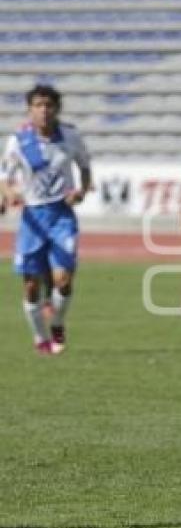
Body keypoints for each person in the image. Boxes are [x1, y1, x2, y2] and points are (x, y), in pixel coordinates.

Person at [0, 84, 91, 355]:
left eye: (49, 105)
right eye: (38, 106)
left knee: (63, 280)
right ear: (30, 110)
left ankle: (58, 324)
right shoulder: (18, 141)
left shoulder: (71, 136)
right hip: (32, 219)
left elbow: (85, 168)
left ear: (57, 109)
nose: (44, 111)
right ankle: (41, 339)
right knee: (31, 286)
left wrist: (82, 191)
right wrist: (10, 193)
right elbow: (4, 176)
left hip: (62, 214)